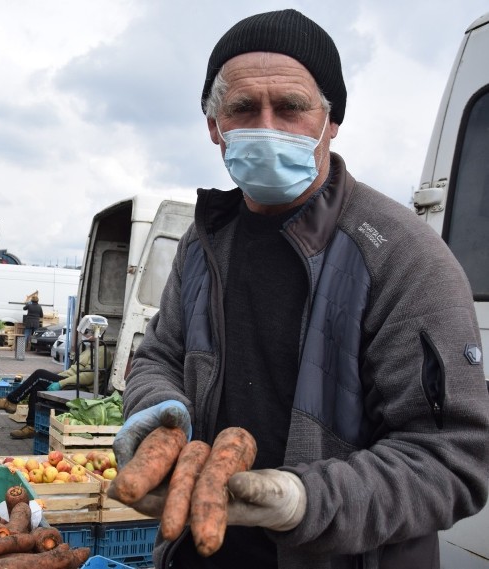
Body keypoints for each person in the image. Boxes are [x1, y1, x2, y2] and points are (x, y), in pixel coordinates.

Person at [114, 10, 489, 569]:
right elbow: (159, 356)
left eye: (291, 107)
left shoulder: (401, 254)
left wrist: (302, 502)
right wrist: (158, 412)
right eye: (243, 108)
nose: (268, 125)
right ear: (215, 126)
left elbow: (451, 458)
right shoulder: (203, 242)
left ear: (329, 121)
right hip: (198, 552)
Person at [0, 330, 112, 439]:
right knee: (37, 386)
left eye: (88, 332)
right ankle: (31, 427)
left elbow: (88, 377)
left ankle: (10, 402)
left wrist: (61, 382)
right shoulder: (90, 349)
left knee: (39, 374)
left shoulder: (103, 352)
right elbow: (73, 371)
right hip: (69, 381)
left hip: (79, 388)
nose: (85, 335)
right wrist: (59, 376)